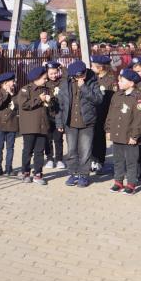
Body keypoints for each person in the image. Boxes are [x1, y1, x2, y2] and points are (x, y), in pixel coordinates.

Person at [56, 60, 104, 188]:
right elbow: (61, 104)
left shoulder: (92, 81)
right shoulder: (65, 83)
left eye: (82, 75)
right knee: (72, 151)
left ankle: (84, 175)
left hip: (87, 123)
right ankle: (73, 173)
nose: (80, 78)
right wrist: (59, 122)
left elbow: (98, 99)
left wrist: (84, 87)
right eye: (77, 76)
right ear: (72, 75)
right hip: (70, 123)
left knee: (85, 151)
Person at [105, 69, 141, 195]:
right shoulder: (117, 95)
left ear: (131, 83)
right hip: (117, 133)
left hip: (129, 135)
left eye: (122, 81)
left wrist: (134, 136)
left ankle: (131, 183)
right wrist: (108, 129)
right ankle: (118, 181)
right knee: (118, 159)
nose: (119, 83)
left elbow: (139, 119)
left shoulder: (138, 97)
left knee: (131, 161)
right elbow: (110, 114)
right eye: (119, 80)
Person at [16, 66, 50, 185]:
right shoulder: (26, 90)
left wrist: (50, 101)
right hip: (29, 126)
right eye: (44, 78)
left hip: (42, 125)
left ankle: (38, 174)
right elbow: (24, 105)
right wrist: (39, 99)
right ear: (37, 78)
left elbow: (50, 107)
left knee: (39, 151)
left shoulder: (46, 90)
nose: (46, 80)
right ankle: (25, 172)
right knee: (28, 150)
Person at [90, 55, 116, 174]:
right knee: (92, 137)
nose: (91, 68)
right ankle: (93, 160)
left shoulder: (111, 80)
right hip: (93, 113)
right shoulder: (93, 78)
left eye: (93, 66)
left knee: (100, 138)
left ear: (100, 68)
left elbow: (113, 100)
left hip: (104, 113)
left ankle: (100, 161)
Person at [43, 61, 65, 169]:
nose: (53, 75)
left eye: (55, 73)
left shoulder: (61, 82)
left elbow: (67, 77)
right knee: (48, 138)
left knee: (58, 138)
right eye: (51, 73)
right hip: (46, 114)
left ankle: (59, 159)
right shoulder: (44, 83)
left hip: (58, 114)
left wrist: (63, 67)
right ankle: (49, 159)